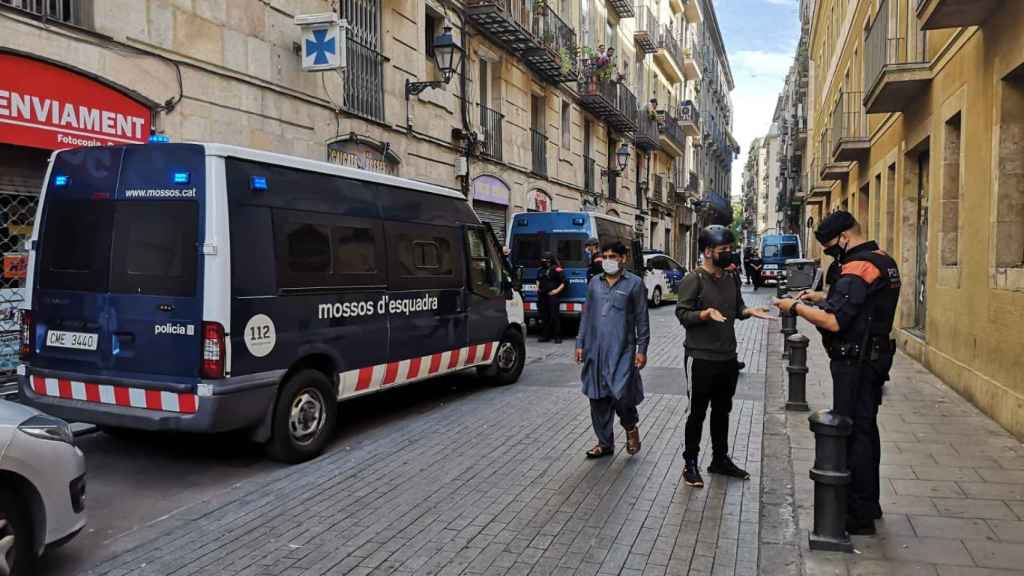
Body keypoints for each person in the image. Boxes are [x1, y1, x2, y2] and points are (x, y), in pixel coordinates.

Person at [772, 211, 900, 536]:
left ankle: (857, 515)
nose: (831, 253)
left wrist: (796, 308)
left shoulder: (859, 267)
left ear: (845, 237)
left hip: (854, 363)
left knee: (851, 433)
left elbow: (836, 322)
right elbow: (861, 304)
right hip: (872, 359)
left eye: (831, 247)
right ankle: (868, 503)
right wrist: (823, 297)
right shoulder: (883, 260)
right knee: (866, 431)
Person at [676, 225, 775, 487]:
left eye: (731, 249)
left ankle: (719, 460)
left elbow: (736, 307)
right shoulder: (693, 279)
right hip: (700, 358)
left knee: (722, 411)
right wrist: (704, 314)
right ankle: (690, 463)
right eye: (724, 250)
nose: (729, 254)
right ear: (708, 252)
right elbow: (682, 314)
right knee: (697, 412)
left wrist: (748, 312)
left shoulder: (730, 278)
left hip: (727, 357)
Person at [576, 241, 650, 459]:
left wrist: (642, 349)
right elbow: (586, 316)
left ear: (623, 258)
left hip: (622, 351)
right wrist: (580, 344)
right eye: (605, 256)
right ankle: (604, 443)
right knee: (597, 397)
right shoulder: (594, 284)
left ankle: (630, 428)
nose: (608, 260)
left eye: (613, 256)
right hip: (595, 350)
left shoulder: (634, 284)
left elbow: (642, 320)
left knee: (621, 395)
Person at [537, 252, 566, 343]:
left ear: (550, 260)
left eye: (545, 260)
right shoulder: (540, 269)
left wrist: (556, 291)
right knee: (544, 317)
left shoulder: (557, 269)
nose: (543, 261)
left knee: (554, 316)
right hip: (543, 296)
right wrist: (538, 288)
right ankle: (545, 336)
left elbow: (564, 282)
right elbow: (538, 280)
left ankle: (557, 336)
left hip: (552, 296)